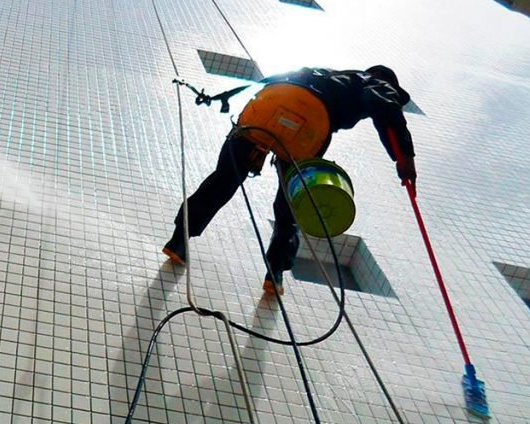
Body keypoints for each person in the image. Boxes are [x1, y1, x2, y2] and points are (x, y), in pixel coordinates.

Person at [162, 66, 417, 295]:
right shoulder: (374, 82)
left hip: (267, 106)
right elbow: (385, 105)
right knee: (290, 204)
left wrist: (227, 95)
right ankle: (275, 271)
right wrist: (404, 156)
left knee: (224, 179)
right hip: (308, 127)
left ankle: (178, 239)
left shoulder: (324, 73)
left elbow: (274, 79)